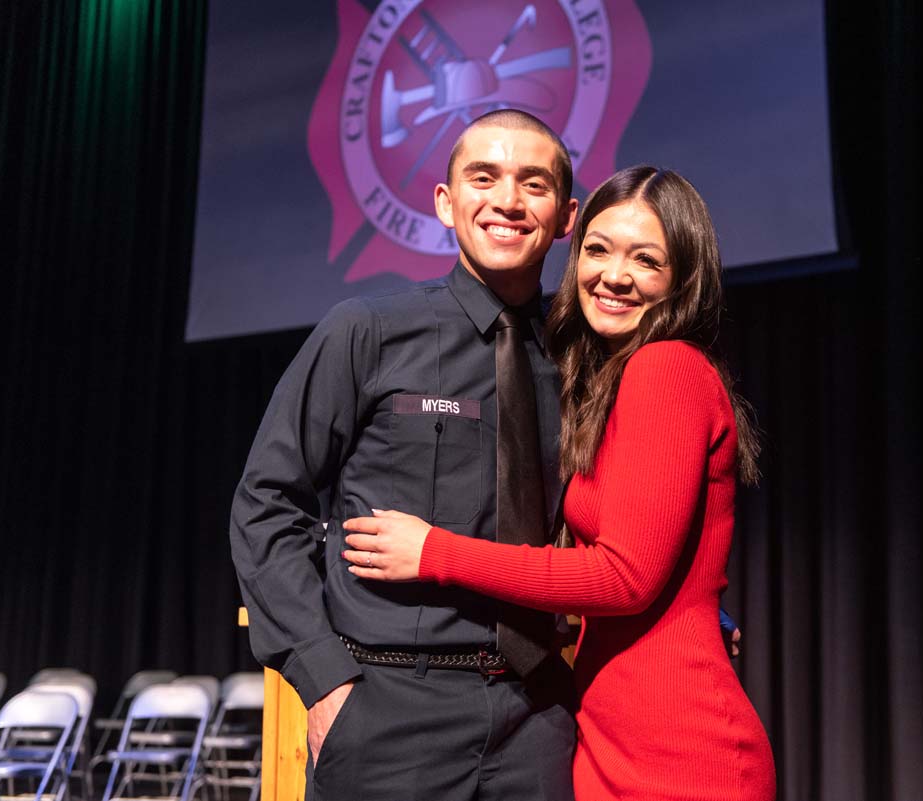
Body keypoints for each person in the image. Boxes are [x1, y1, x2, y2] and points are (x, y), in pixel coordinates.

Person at [342, 166, 778, 800]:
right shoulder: (610, 377)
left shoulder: (665, 368)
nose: (615, 274)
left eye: (646, 259)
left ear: (684, 279)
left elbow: (624, 576)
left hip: (680, 753)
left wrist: (435, 552)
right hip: (611, 738)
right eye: (598, 249)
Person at [229, 109, 580, 801]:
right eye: (484, 177)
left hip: (538, 717)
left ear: (566, 216)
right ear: (446, 203)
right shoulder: (368, 332)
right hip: (389, 712)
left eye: (532, 183)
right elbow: (266, 503)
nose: (507, 200)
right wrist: (324, 677)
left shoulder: (580, 365)